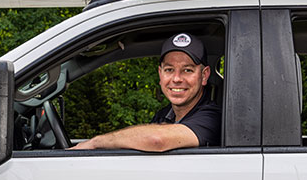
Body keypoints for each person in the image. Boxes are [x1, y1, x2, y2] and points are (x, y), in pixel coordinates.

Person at [70, 33, 221, 151]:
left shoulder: (212, 116)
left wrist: (94, 143)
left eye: (187, 70)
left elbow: (156, 140)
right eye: (169, 70)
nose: (176, 78)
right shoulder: (164, 115)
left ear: (204, 75)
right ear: (160, 74)